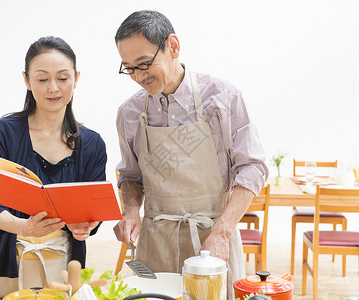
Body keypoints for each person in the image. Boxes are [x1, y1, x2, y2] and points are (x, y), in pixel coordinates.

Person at [112, 10, 268, 300]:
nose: (139, 76)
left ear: (173, 46)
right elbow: (131, 176)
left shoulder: (222, 99)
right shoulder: (130, 113)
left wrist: (222, 233)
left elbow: (253, 168)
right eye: (129, 68)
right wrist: (131, 212)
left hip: (212, 239)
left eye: (145, 64)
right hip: (156, 240)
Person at [0, 36, 107, 298]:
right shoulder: (2, 134)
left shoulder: (93, 144)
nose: (53, 88)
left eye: (63, 78)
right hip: (4, 263)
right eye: (42, 79)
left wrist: (87, 225)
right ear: (27, 80)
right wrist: (23, 227)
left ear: (76, 79)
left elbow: (93, 210)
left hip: (63, 266)